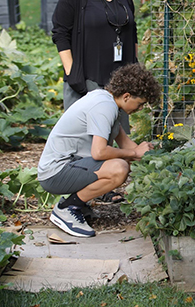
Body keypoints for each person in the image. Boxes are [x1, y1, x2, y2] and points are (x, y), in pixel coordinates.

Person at [38, 63, 160, 237]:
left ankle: (80, 204)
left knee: (123, 161)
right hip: (55, 173)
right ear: (126, 96)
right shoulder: (104, 107)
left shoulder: (107, 101)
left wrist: (156, 157)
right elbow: (99, 152)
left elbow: (128, 146)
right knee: (119, 168)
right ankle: (68, 208)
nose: (140, 109)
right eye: (140, 104)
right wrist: (134, 153)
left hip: (69, 167)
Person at [52, 0, 138, 134]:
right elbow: (60, 33)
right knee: (85, 136)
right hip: (87, 76)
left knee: (118, 133)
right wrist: (72, 71)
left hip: (118, 78)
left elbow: (132, 29)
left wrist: (134, 67)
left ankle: (119, 164)